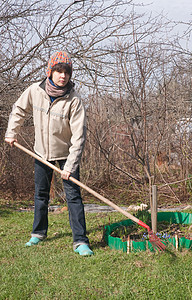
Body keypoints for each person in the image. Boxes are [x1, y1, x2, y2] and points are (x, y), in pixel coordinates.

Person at [5, 51, 93, 256]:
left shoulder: (74, 101)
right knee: (41, 195)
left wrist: (70, 166)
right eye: (58, 71)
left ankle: (80, 241)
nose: (62, 76)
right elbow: (18, 109)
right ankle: (38, 233)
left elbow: (79, 137)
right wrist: (11, 132)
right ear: (50, 72)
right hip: (41, 153)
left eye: (66, 72)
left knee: (73, 197)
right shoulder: (35, 91)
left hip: (66, 155)